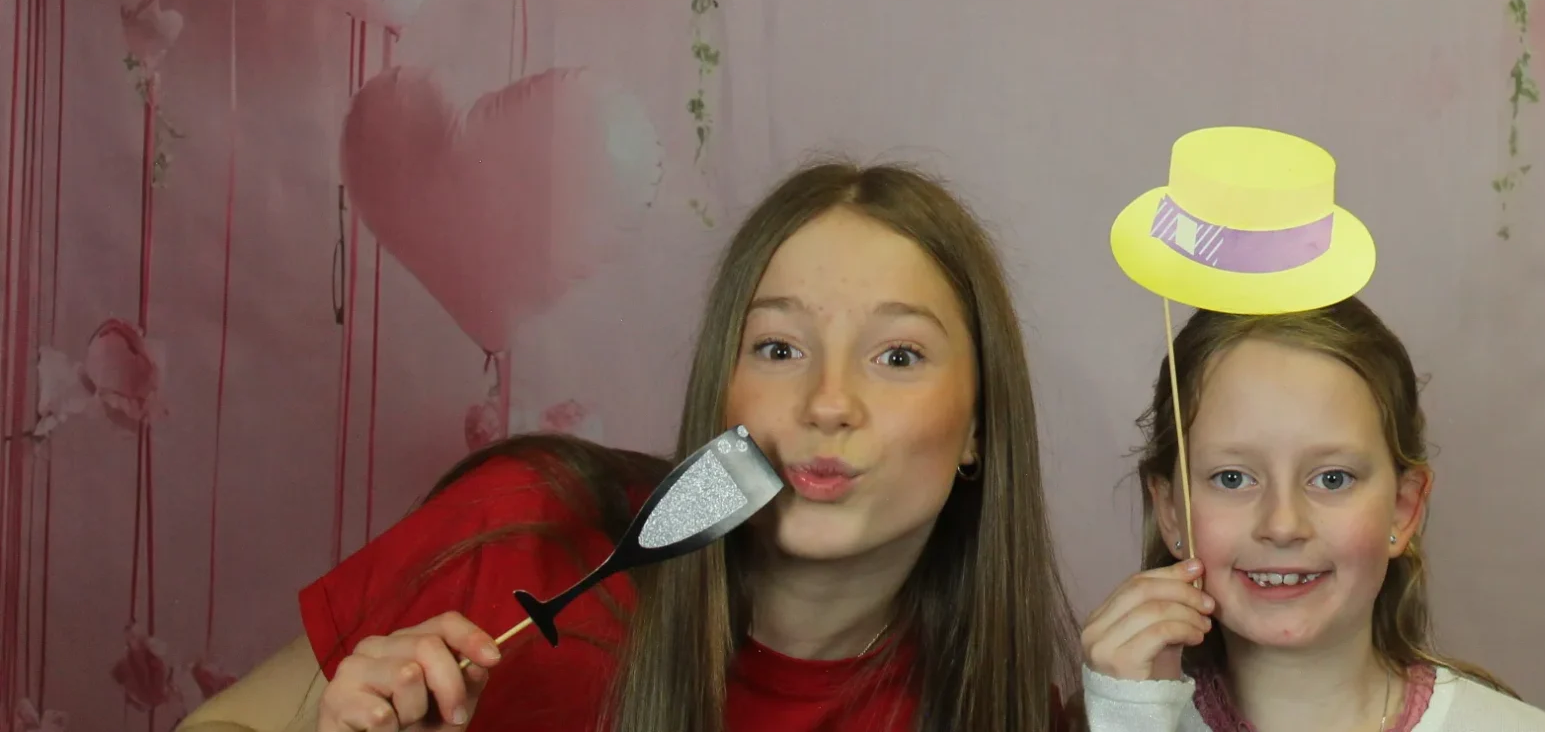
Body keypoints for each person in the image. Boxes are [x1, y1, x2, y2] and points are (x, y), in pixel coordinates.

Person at [180, 158, 1075, 732]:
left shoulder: (993, 706)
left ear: (979, 427)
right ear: (721, 389)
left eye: (898, 356)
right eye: (778, 348)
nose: (828, 402)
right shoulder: (525, 531)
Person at [1077, 300, 1545, 732]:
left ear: (1403, 509)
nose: (1283, 525)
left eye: (1332, 478)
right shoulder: (1123, 720)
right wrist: (1129, 721)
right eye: (1233, 478)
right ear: (1170, 512)